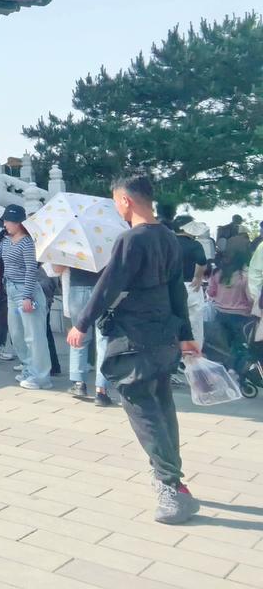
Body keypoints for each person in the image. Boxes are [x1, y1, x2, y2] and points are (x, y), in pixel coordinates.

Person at [68, 173, 198, 525]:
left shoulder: (132, 239)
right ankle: (171, 476)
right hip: (164, 333)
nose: (117, 208)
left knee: (141, 406)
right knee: (162, 404)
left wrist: (82, 323)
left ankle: (171, 486)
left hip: (135, 337)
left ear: (125, 200)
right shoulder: (169, 237)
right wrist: (185, 334)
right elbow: (178, 290)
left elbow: (108, 285)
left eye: (116, 202)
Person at [0, 204, 51, 389]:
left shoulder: (27, 242)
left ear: (18, 222)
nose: (5, 224)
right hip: (11, 292)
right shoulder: (7, 241)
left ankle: (41, 377)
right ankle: (28, 369)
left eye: (8, 221)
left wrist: (27, 297)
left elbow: (31, 270)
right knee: (17, 335)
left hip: (26, 292)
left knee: (34, 336)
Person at [57, 262, 113, 406]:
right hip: (102, 288)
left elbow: (57, 269)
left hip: (78, 287)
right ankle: (101, 390)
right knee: (103, 339)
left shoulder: (73, 247)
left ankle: (79, 383)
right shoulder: (105, 246)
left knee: (78, 334)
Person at [204, 250, 255, 369]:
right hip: (241, 317)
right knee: (238, 346)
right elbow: (250, 298)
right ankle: (235, 371)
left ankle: (224, 369)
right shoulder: (245, 276)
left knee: (222, 347)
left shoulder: (217, 273)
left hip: (220, 314)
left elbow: (210, 292)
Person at [172, 217, 210, 347]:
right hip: (191, 286)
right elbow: (201, 262)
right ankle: (193, 352)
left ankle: (174, 350)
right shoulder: (195, 245)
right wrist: (198, 276)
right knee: (194, 321)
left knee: (174, 320)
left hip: (171, 287)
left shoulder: (167, 243)